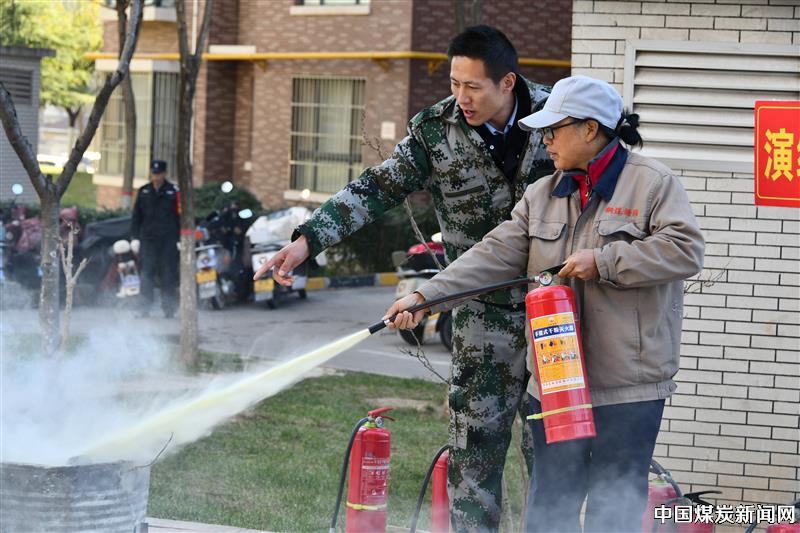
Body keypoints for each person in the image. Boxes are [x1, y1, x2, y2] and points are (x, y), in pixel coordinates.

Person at [254, 25, 554, 531]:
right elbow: (375, 188)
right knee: (474, 456)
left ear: (508, 82)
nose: (461, 98)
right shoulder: (436, 131)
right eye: (454, 84)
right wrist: (307, 241)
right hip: (480, 315)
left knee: (551, 453)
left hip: (554, 313)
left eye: (473, 86)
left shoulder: (556, 117)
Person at [385, 75, 705, 533]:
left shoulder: (653, 185)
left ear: (590, 129)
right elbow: (492, 254)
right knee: (550, 504)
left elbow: (684, 251)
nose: (545, 139)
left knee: (614, 508)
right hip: (556, 384)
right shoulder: (542, 194)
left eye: (554, 129)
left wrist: (605, 261)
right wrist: (426, 296)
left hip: (629, 388)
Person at [131, 159, 180, 318]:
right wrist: (135, 237)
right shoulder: (144, 191)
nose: (156, 177)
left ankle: (169, 309)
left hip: (168, 240)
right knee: (147, 274)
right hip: (148, 239)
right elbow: (136, 216)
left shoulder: (174, 191)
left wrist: (181, 239)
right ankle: (144, 308)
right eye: (153, 173)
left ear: (164, 174)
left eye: (159, 174)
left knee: (168, 275)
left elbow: (180, 216)